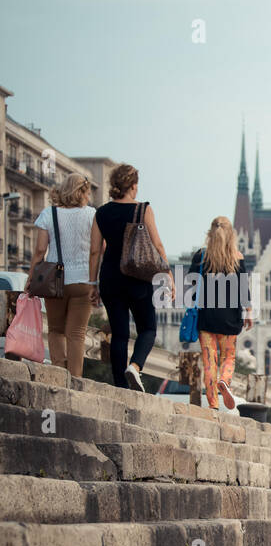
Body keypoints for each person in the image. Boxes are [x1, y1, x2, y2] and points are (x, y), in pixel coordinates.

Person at [88, 163, 173, 390]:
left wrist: (92, 283)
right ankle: (135, 366)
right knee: (148, 328)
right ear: (133, 186)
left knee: (119, 333)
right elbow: (157, 245)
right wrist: (168, 275)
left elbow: (95, 250)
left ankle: (119, 386)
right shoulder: (143, 210)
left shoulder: (101, 212)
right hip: (137, 278)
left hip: (110, 278)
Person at [28, 174, 96, 378]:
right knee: (76, 334)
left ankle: (58, 373)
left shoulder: (49, 214)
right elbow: (98, 249)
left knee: (56, 330)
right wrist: (96, 280)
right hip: (83, 281)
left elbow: (40, 250)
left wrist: (31, 277)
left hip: (54, 281)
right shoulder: (92, 215)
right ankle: (75, 380)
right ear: (83, 192)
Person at [189, 216, 251, 410]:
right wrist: (248, 311)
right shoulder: (237, 258)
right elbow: (243, 290)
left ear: (210, 234)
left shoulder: (200, 257)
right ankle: (224, 381)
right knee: (228, 357)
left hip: (206, 318)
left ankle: (213, 404)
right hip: (229, 319)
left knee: (209, 361)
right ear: (231, 235)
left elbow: (190, 283)